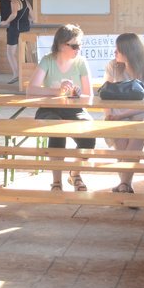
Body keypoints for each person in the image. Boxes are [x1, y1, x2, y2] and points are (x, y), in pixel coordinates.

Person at [27, 24, 94, 192]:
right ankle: (56, 181)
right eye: (75, 46)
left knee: (90, 137)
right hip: (49, 109)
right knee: (56, 129)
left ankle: (75, 174)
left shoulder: (81, 62)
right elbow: (31, 90)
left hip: (75, 110)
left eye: (80, 45)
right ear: (62, 45)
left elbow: (89, 95)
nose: (78, 49)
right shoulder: (48, 60)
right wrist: (58, 91)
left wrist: (77, 94)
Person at [104, 33, 144, 195]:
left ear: (128, 51)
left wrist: (121, 115)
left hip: (143, 113)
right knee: (117, 132)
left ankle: (123, 183)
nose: (114, 52)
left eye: (118, 49)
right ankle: (125, 184)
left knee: (143, 128)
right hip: (117, 113)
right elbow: (105, 93)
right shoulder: (113, 66)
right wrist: (109, 114)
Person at [1, 0, 34, 84]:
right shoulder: (26, 2)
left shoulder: (14, 2)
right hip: (25, 29)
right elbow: (32, 17)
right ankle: (29, 76)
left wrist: (6, 22)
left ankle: (16, 74)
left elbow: (14, 14)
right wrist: (24, 21)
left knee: (10, 53)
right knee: (26, 53)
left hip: (15, 29)